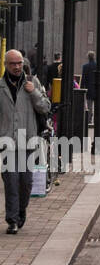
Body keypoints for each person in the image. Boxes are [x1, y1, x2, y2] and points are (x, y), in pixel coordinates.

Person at [0, 50, 51, 234]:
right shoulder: (1, 86)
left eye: (19, 63)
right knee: (11, 181)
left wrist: (34, 93)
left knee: (26, 182)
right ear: (5, 64)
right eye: (13, 63)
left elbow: (45, 107)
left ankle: (21, 209)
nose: (17, 66)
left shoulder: (32, 83)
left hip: (28, 141)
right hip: (6, 143)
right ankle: (12, 220)